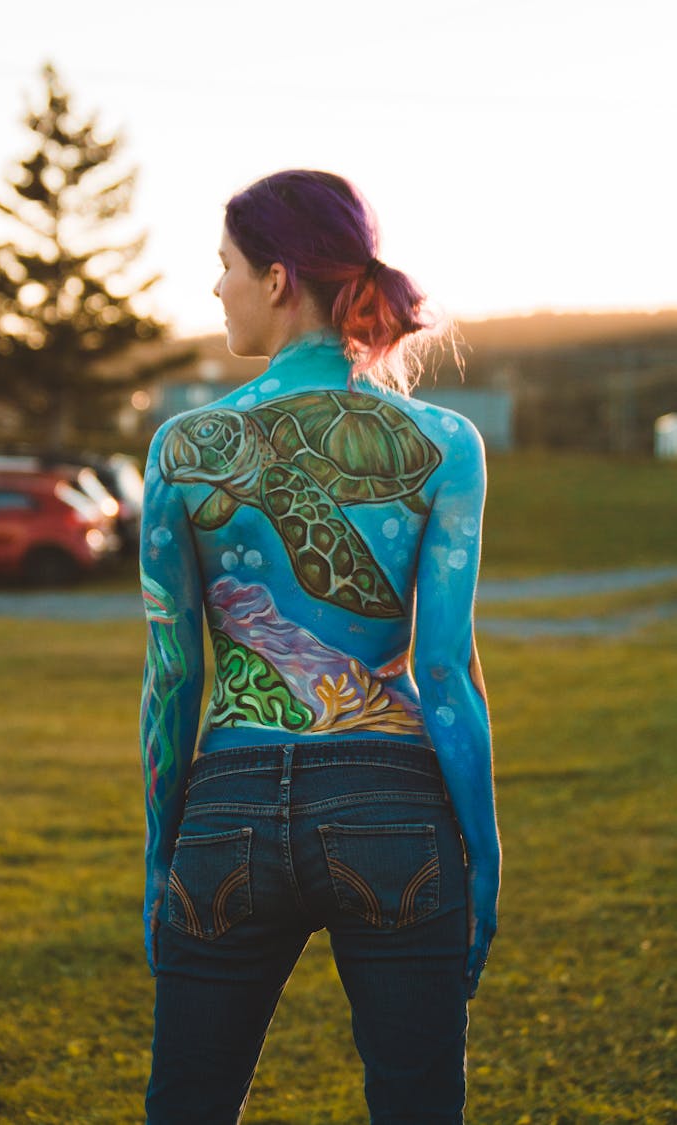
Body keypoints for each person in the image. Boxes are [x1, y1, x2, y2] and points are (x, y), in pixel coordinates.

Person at [139, 169, 501, 1125]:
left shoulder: (184, 446)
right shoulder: (442, 442)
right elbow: (447, 671)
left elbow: (173, 675)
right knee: (418, 1102)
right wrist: (485, 846)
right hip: (393, 805)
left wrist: (158, 851)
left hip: (228, 809)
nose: (215, 287)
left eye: (224, 265)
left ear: (277, 278)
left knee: (188, 1102)